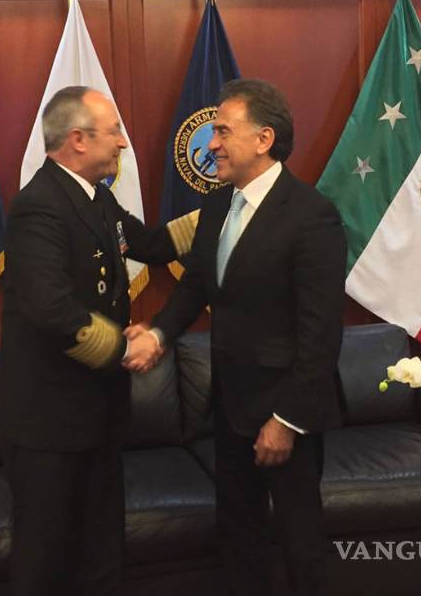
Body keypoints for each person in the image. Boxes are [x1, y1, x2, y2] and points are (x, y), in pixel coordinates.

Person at [126, 79, 346, 595]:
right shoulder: (218, 205)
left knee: (300, 543)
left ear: (264, 139)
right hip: (229, 406)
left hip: (284, 414)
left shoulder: (312, 215)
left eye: (223, 131)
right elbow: (196, 286)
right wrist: (158, 333)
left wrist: (286, 421)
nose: (212, 144)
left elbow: (320, 333)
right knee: (238, 537)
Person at [0, 86, 194, 596]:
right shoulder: (39, 206)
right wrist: (126, 349)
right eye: (114, 132)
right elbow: (51, 309)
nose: (123, 143)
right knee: (46, 556)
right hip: (49, 423)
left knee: (102, 547)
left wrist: (223, 211)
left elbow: (151, 245)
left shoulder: (96, 197)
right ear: (78, 140)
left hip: (100, 413)